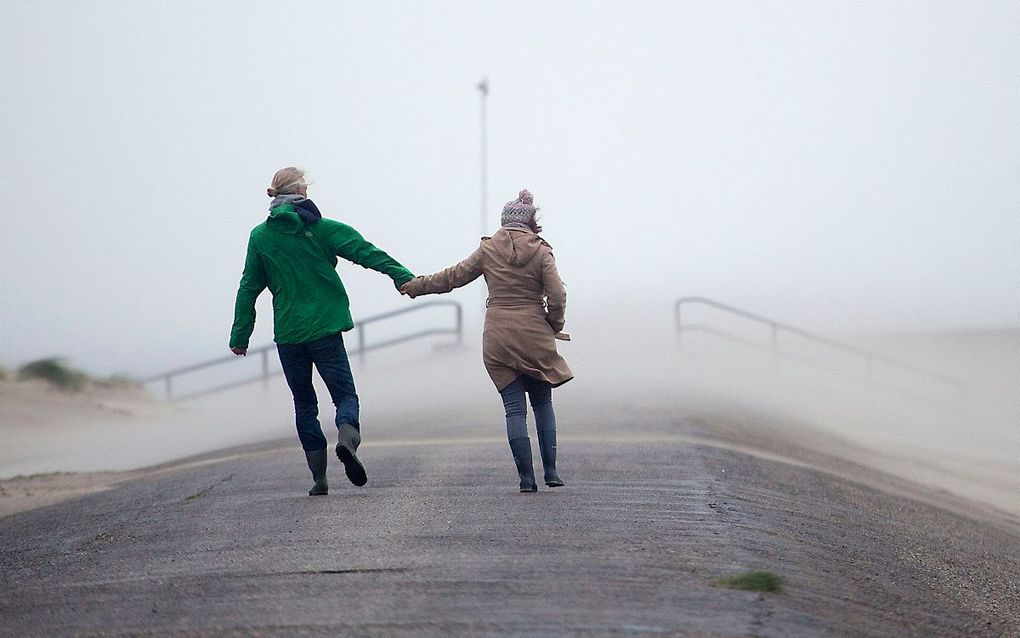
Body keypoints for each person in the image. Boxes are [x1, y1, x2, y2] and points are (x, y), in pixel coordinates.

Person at [229, 167, 414, 496]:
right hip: (325, 329)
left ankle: (319, 479)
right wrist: (401, 276)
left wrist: (240, 335)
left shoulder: (260, 236)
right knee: (345, 396)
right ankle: (346, 439)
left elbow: (248, 287)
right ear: (302, 192)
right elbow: (365, 252)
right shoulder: (321, 228)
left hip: (288, 334)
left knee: (304, 405)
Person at [401, 189, 573, 492]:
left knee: (514, 410)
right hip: (535, 335)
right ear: (531, 222)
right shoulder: (542, 251)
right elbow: (557, 295)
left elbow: (453, 277)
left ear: (504, 222)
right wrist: (554, 323)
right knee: (543, 404)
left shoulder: (488, 250)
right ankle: (551, 472)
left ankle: (525, 478)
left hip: (497, 338)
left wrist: (416, 286)